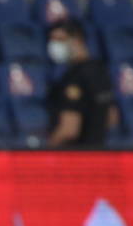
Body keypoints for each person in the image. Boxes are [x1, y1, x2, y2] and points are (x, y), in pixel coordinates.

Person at [45, 19, 117, 148]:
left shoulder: (74, 77)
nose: (54, 45)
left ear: (76, 39)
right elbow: (111, 118)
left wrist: (46, 151)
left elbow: (69, 129)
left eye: (60, 40)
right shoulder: (100, 70)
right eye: (52, 41)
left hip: (77, 157)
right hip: (99, 152)